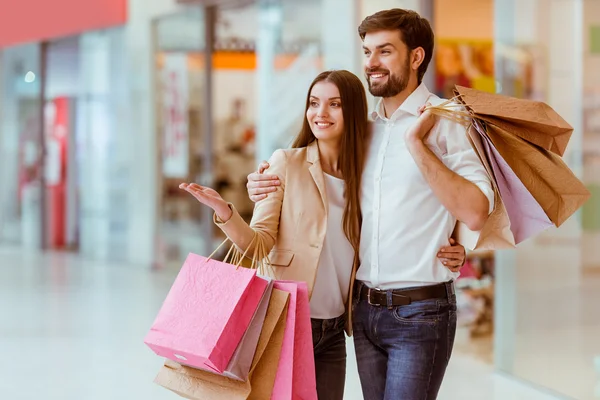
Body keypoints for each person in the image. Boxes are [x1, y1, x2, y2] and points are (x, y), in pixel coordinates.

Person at [246, 9, 494, 400]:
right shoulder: (364, 130)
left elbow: (477, 211)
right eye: (366, 52)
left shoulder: (449, 123)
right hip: (362, 312)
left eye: (384, 52)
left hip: (421, 310)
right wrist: (264, 181)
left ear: (416, 57)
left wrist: (417, 145)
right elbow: (318, 179)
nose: (371, 64)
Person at [181, 70, 467, 400]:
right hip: (285, 324)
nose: (321, 113)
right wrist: (225, 212)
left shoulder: (366, 174)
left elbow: (398, 222)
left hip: (335, 330)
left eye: (335, 104)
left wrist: (455, 245)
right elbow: (258, 245)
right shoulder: (286, 163)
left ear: (354, 113)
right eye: (314, 103)